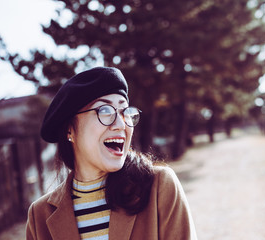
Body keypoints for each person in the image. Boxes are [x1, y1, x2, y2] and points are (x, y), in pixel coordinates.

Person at [26, 67, 197, 240]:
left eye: (125, 112)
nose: (121, 124)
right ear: (70, 129)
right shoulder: (39, 215)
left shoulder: (159, 186)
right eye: (105, 111)